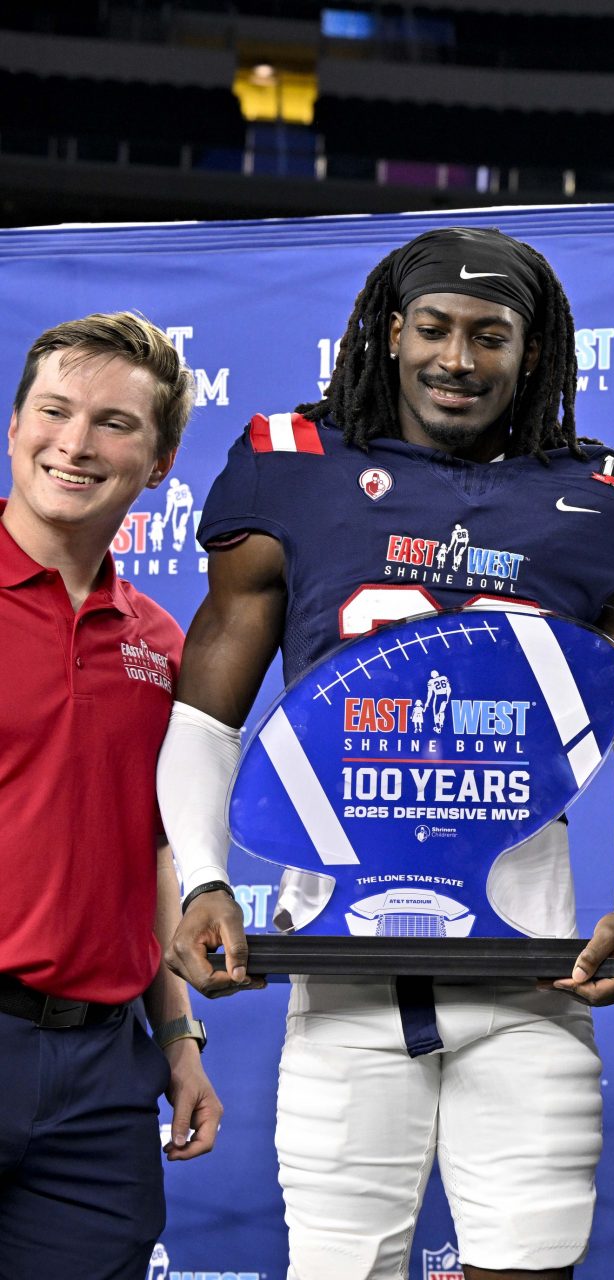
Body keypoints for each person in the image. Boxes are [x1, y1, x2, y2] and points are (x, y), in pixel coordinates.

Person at [156, 227, 614, 1280]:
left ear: (531, 354)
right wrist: (207, 878)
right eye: (437, 329)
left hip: (528, 985)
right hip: (340, 982)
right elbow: (204, 719)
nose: (459, 358)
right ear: (391, 332)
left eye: (490, 335)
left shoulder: (603, 503)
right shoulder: (293, 467)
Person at [0, 312, 220, 1277]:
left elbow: (157, 852)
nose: (75, 444)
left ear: (161, 461)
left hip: (103, 1076)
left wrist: (178, 1039)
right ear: (15, 427)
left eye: (114, 424)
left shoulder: (164, 645)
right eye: (54, 411)